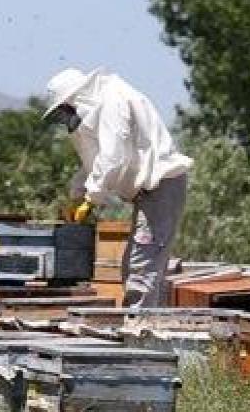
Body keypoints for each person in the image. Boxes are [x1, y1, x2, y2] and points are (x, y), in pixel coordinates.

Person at [42, 67, 192, 307]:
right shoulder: (103, 103)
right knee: (135, 265)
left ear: (74, 98)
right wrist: (77, 195)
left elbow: (113, 158)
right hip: (151, 193)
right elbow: (95, 161)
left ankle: (139, 332)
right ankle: (145, 321)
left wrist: (91, 198)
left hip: (161, 187)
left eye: (63, 111)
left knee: (141, 267)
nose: (64, 119)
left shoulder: (112, 100)